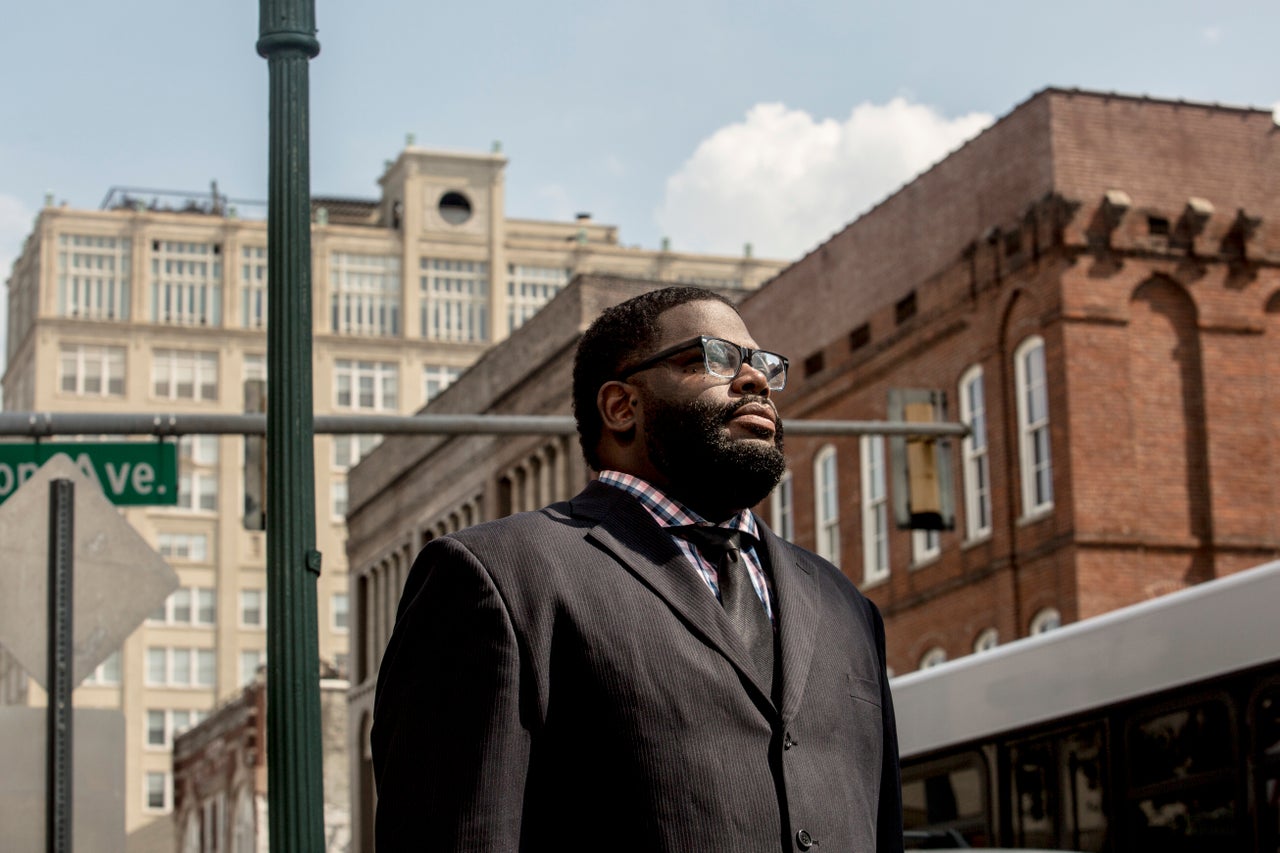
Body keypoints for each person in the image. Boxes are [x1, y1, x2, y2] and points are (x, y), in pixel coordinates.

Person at [372, 286, 903, 852]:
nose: (753, 381)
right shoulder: (498, 576)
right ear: (622, 407)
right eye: (711, 358)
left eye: (763, 367)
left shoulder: (846, 606)